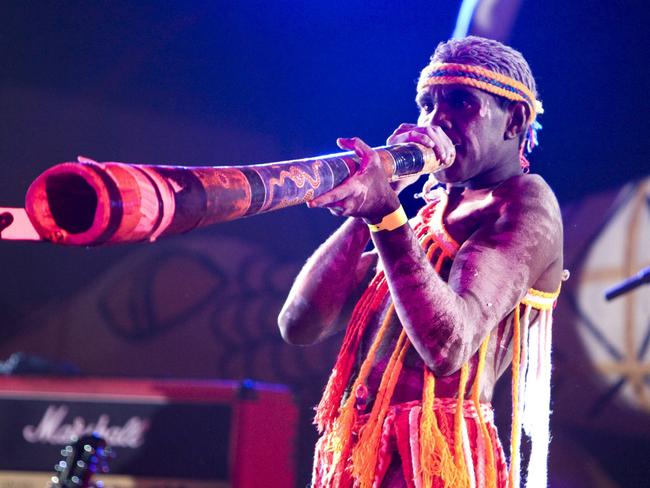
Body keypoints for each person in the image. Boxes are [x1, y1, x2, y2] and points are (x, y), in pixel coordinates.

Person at [278, 36, 563, 488]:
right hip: (360, 452)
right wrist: (365, 209)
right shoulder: (423, 218)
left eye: (461, 102)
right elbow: (299, 324)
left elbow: (449, 346)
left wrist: (384, 213)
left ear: (515, 120)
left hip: (437, 458)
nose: (436, 119)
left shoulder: (527, 201)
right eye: (427, 104)